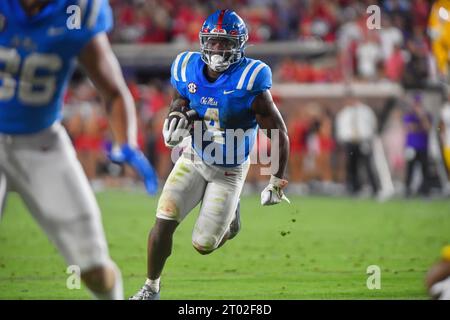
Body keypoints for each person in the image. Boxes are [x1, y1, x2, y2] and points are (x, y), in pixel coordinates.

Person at [0, 0, 158, 299]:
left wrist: (127, 144)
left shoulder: (79, 11)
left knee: (95, 269)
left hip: (42, 143)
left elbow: (112, 89)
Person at [130, 9, 290, 300]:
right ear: (203, 41)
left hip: (229, 170)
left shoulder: (250, 79)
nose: (218, 49)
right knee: (163, 220)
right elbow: (181, 100)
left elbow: (278, 131)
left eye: (226, 43)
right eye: (213, 42)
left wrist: (276, 182)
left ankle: (232, 218)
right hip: (194, 156)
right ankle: (150, 288)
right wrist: (177, 117)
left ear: (240, 45)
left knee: (203, 244)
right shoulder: (186, 67)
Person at [336, 91, 379, 196]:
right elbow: (341, 128)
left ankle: (375, 189)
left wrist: (369, 138)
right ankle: (355, 189)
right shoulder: (344, 113)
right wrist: (342, 140)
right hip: (350, 142)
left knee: (367, 165)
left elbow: (373, 124)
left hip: (363, 141)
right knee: (351, 166)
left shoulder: (365, 111)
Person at [403, 94, 432, 196]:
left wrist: (422, 117)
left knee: (424, 169)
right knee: (410, 169)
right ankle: (408, 190)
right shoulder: (409, 115)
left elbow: (427, 128)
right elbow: (410, 128)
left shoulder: (426, 115)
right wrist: (419, 126)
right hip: (411, 146)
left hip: (423, 146)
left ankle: (425, 190)